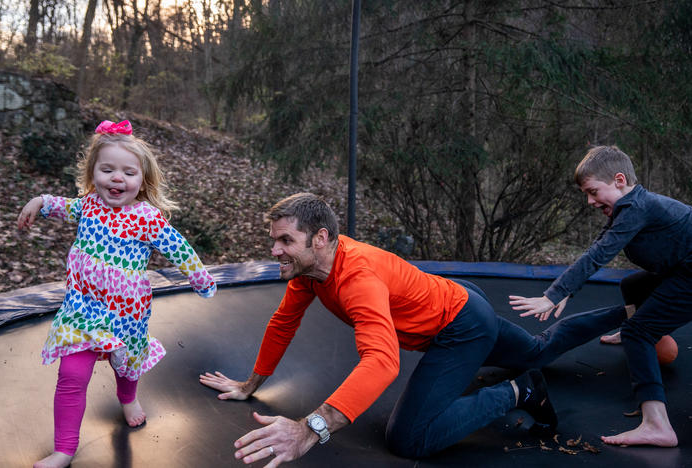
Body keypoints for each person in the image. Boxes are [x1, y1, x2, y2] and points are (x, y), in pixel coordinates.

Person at [199, 192, 628, 465]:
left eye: (285, 241)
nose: (275, 250)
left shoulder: (357, 278)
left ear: (320, 238)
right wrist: (250, 383)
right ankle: (629, 312)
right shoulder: (308, 272)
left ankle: (521, 390)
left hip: (460, 326)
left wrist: (310, 428)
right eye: (273, 240)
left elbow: (382, 363)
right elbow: (282, 322)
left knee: (410, 439)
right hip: (455, 298)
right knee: (534, 348)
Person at [17, 120, 217, 468]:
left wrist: (200, 278)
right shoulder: (89, 205)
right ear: (93, 174)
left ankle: (128, 398)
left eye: (128, 172)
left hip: (127, 314)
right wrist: (39, 202)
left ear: (142, 180)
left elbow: (179, 248)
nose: (117, 179)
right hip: (81, 309)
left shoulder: (147, 217)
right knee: (71, 377)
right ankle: (64, 449)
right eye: (107, 169)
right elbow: (63, 205)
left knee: (126, 367)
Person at [509, 145, 691, 448]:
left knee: (638, 332)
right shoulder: (631, 206)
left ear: (619, 180)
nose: (590, 201)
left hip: (687, 275)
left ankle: (657, 424)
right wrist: (567, 291)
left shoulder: (638, 208)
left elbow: (599, 255)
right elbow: (601, 242)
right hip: (679, 269)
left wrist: (554, 294)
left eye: (593, 192)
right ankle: (644, 331)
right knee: (632, 287)